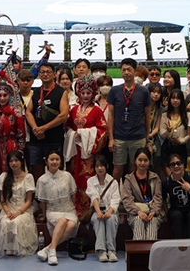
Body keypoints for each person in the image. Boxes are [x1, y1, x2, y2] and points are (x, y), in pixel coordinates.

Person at [65, 75, 107, 215]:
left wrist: (83, 134)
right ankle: (75, 206)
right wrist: (73, 134)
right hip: (75, 150)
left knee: (88, 178)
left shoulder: (97, 110)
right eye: (82, 93)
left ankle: (90, 208)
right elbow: (68, 126)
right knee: (75, 177)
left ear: (93, 93)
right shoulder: (74, 110)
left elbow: (103, 130)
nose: (85, 96)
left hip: (89, 151)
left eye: (88, 93)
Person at [108, 58, 152, 180]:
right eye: (124, 70)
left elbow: (147, 115)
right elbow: (110, 114)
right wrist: (111, 138)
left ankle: (132, 191)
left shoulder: (143, 91)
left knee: (134, 169)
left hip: (138, 136)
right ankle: (115, 192)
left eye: (129, 69)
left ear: (134, 71)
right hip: (119, 137)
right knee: (117, 170)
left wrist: (147, 137)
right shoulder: (114, 91)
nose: (126, 72)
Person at [25, 62, 69, 182]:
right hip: (36, 139)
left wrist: (43, 128)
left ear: (54, 74)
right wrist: (35, 128)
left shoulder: (61, 92)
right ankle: (38, 193)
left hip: (54, 139)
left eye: (48, 72)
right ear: (39, 75)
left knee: (56, 170)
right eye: (42, 72)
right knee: (36, 170)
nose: (45, 74)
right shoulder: (35, 92)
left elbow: (63, 115)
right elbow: (28, 112)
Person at [35, 151, 78, 266]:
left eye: (57, 159)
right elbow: (43, 201)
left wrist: (73, 208)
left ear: (60, 161)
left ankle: (49, 248)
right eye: (52, 159)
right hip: (53, 210)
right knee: (62, 220)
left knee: (72, 224)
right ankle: (53, 252)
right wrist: (44, 215)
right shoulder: (42, 180)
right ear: (47, 161)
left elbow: (73, 194)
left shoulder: (67, 175)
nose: (54, 162)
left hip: (69, 209)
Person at [0, 150, 37, 257]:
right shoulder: (4, 176)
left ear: (21, 162)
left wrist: (18, 212)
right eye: (11, 161)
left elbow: (29, 201)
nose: (14, 163)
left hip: (23, 210)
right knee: (6, 222)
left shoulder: (28, 177)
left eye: (16, 160)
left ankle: (19, 246)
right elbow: (2, 201)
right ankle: (9, 246)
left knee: (16, 222)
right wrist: (8, 212)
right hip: (8, 210)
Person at [0, 77, 26, 177]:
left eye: (5, 95)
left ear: (9, 96)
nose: (2, 98)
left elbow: (21, 133)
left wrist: (20, 151)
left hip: (11, 145)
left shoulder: (15, 113)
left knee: (12, 171)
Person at [121, 147, 162, 240]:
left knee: (152, 221)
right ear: (135, 161)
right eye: (140, 160)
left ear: (149, 161)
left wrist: (153, 211)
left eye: (145, 160)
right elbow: (127, 200)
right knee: (139, 220)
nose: (142, 163)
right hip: (135, 213)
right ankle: (139, 249)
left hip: (153, 213)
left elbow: (158, 197)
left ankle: (151, 248)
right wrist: (138, 212)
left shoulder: (155, 178)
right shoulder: (128, 179)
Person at [87, 156, 120, 262]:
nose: (99, 168)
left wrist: (109, 212)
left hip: (111, 210)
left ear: (107, 166)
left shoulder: (113, 181)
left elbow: (116, 199)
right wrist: (99, 212)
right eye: (97, 166)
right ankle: (101, 251)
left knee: (111, 219)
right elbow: (94, 198)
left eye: (102, 166)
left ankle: (111, 250)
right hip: (96, 210)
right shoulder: (91, 181)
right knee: (98, 220)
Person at [163, 153, 190, 238]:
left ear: (183, 164)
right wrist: (166, 212)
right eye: (172, 164)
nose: (176, 166)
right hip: (176, 209)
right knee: (176, 215)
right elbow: (163, 199)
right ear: (169, 167)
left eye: (179, 163)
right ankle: (179, 243)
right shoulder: (166, 181)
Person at [159, 89, 189, 178]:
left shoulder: (188, 115)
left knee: (180, 174)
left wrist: (181, 141)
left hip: (181, 147)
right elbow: (161, 133)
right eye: (173, 98)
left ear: (181, 100)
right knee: (169, 176)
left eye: (178, 98)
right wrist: (168, 131)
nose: (175, 101)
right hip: (168, 146)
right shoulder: (165, 115)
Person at [146, 83, 165, 175]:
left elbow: (157, 127)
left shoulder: (159, 109)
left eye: (158, 92)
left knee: (157, 155)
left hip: (153, 136)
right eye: (153, 92)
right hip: (141, 135)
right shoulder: (142, 106)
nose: (156, 94)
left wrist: (150, 135)